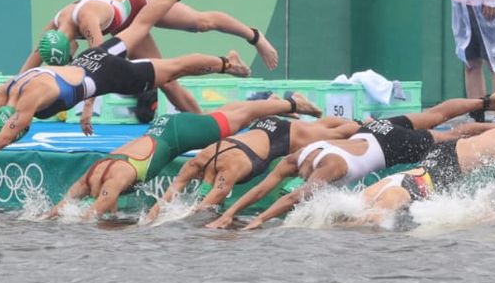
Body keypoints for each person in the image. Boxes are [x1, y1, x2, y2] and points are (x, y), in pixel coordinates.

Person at [0, 0, 253, 184]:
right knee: (141, 26)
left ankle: (226, 63)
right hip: (91, 59)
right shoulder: (8, 89)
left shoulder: (27, 101)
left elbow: (1, 137)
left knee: (172, 70)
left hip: (106, 73)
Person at [205, 94, 495, 230]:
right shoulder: (296, 158)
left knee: (451, 136)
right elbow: (263, 188)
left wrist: (258, 220)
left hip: (390, 145)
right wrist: (231, 213)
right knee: (435, 115)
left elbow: (294, 196)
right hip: (374, 130)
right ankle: (489, 101)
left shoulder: (329, 167)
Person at [299, 86, 495, 229]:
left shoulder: (385, 199)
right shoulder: (366, 195)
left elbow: (375, 224)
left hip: (452, 163)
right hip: (439, 158)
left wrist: (333, 230)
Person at [23, 0, 279, 121]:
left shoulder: (86, 19)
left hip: (138, 2)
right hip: (125, 28)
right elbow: (31, 64)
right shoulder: (53, 31)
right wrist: (12, 88)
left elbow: (99, 62)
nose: (72, 59)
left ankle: (254, 35)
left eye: (69, 55)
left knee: (201, 23)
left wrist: (88, 107)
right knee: (166, 80)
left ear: (66, 45)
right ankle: (204, 125)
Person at [50, 93, 321, 219]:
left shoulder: (111, 179)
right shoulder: (90, 178)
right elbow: (60, 209)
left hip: (176, 132)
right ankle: (276, 102)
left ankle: (293, 103)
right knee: (227, 116)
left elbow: (90, 219)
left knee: (238, 118)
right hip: (164, 131)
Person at [145, 112, 359, 221]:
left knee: (338, 133)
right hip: (259, 131)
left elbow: (201, 210)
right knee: (317, 128)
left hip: (281, 134)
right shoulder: (196, 163)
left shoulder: (220, 168)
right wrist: (148, 223)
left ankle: (360, 122)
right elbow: (167, 199)